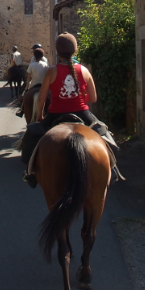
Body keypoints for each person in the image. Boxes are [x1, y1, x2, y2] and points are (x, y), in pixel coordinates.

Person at [21, 33, 121, 187]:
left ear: (58, 51)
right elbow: (93, 98)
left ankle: (30, 173)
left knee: (30, 136)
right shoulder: (85, 71)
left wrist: (40, 116)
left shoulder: (51, 71)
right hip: (82, 112)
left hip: (55, 115)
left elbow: (41, 98)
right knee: (104, 133)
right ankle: (113, 168)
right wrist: (77, 99)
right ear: (75, 50)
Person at [17, 47, 49, 120]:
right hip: (43, 86)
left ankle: (21, 110)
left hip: (34, 84)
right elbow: (47, 76)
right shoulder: (45, 65)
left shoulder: (31, 65)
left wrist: (27, 87)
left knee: (24, 96)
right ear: (42, 56)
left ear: (34, 56)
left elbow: (28, 78)